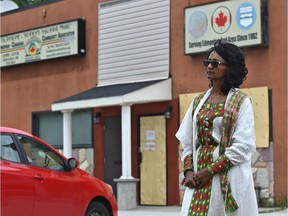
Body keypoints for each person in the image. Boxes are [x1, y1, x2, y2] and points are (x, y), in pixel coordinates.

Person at [176, 40, 259, 216]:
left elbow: (242, 147)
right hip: (198, 180)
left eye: (215, 63)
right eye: (207, 62)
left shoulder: (241, 102)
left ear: (230, 68)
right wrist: (189, 171)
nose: (209, 66)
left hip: (226, 177)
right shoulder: (198, 102)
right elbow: (188, 142)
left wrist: (209, 171)